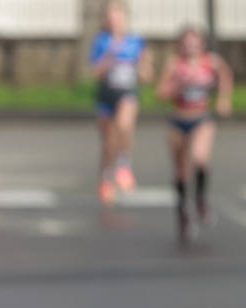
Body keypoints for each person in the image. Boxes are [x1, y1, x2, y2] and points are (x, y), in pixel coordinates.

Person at [154, 25, 233, 241]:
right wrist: (177, 86)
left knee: (200, 159)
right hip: (179, 119)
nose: (190, 46)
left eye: (194, 41)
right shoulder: (174, 64)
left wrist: (224, 100)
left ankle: (200, 202)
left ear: (201, 43)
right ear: (180, 44)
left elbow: (225, 75)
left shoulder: (211, 62)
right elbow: (159, 93)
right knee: (180, 173)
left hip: (201, 119)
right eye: (186, 42)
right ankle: (182, 212)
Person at [89, 1, 152, 205]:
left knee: (124, 126)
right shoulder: (101, 41)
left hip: (127, 93)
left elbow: (146, 74)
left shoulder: (136, 42)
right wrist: (109, 58)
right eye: (110, 16)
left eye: (117, 15)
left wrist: (139, 67)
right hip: (106, 94)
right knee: (108, 142)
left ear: (125, 17)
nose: (114, 20)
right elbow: (95, 73)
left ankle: (124, 165)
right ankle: (105, 178)